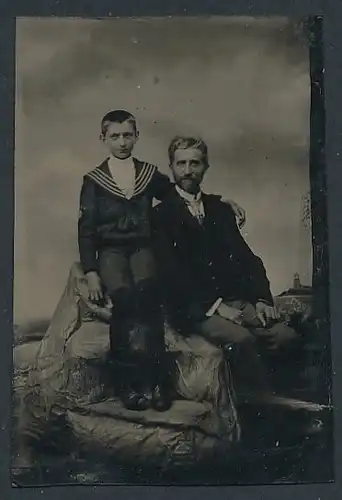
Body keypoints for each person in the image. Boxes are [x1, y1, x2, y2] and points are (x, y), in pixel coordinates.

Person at [78, 112, 245, 412]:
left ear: (137, 136)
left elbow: (180, 193)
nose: (122, 142)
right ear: (103, 139)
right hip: (112, 251)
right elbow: (86, 229)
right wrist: (91, 271)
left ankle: (157, 382)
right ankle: (127, 384)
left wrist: (220, 201)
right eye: (114, 136)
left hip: (143, 246)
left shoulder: (147, 173)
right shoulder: (94, 180)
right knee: (124, 299)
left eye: (127, 135)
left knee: (150, 295)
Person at [151, 135, 314, 408]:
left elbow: (249, 260)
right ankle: (262, 412)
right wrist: (217, 307)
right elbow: (173, 276)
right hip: (194, 308)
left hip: (236, 299)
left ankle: (283, 401)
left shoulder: (219, 210)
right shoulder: (160, 216)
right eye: (181, 163)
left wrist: (262, 299)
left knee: (286, 336)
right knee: (242, 340)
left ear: (206, 167)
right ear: (171, 167)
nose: (188, 170)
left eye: (195, 163)